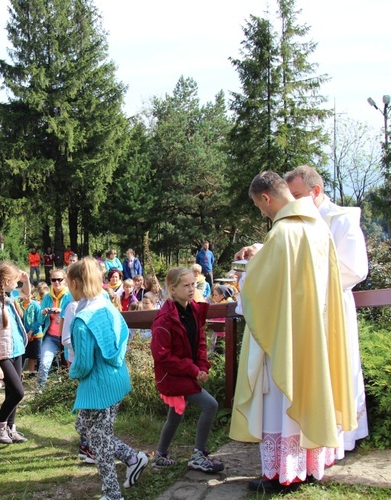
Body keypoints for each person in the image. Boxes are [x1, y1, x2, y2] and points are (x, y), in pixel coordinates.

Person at [229, 172, 355, 493]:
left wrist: (244, 276)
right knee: (309, 393)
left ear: (267, 199)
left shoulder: (283, 232)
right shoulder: (317, 228)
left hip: (284, 336)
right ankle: (310, 467)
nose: (261, 212)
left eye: (259, 206)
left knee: (280, 404)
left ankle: (282, 474)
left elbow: (261, 289)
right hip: (314, 333)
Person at [285, 165, 371, 454]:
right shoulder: (299, 220)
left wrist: (313, 276)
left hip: (334, 305)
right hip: (306, 308)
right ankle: (313, 435)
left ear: (316, 191)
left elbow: (356, 269)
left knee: (339, 367)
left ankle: (343, 437)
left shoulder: (342, 221)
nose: (293, 201)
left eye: (297, 194)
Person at [67, 257, 149, 498]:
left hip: (99, 389)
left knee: (99, 443)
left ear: (74, 283)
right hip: (117, 378)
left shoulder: (83, 320)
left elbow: (83, 364)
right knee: (85, 427)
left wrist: (74, 374)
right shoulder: (107, 305)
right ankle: (133, 459)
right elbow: (123, 336)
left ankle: (113, 494)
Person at [150, 267, 223, 473]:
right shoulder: (164, 319)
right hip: (172, 375)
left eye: (193, 284)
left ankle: (161, 455)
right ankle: (198, 456)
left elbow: (199, 342)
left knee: (176, 415)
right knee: (210, 405)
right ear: (173, 290)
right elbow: (162, 355)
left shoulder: (193, 311)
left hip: (186, 372)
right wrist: (192, 370)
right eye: (186, 285)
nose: (192, 289)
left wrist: (201, 366)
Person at [0, 261, 31, 444]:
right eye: (16, 281)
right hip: (2, 354)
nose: (17, 285)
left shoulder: (8, 296)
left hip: (16, 350)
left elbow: (27, 295)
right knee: (18, 392)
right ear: (7, 280)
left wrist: (26, 280)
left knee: (11, 392)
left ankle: (11, 428)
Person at [37, 269, 73, 388]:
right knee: (44, 364)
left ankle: (68, 391)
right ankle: (39, 391)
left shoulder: (70, 295)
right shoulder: (47, 297)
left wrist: (62, 312)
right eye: (53, 280)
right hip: (51, 337)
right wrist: (43, 313)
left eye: (59, 279)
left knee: (68, 366)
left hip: (67, 337)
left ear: (65, 280)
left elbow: (75, 313)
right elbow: (39, 320)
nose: (56, 282)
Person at [18, 285, 44, 376]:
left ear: (32, 294)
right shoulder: (19, 305)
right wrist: (24, 332)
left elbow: (40, 319)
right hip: (24, 335)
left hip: (36, 335)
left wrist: (31, 331)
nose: (25, 297)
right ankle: (19, 372)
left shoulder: (36, 305)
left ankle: (33, 372)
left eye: (28, 295)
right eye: (24, 295)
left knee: (35, 355)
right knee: (23, 355)